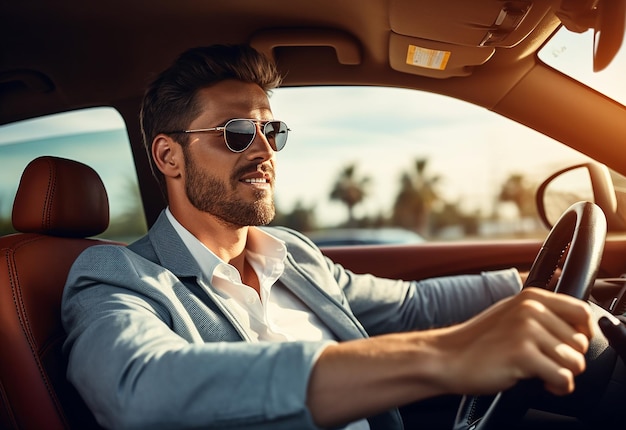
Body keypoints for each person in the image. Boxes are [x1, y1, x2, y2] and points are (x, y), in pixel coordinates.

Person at [61, 44, 593, 430]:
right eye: (238, 133)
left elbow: (410, 306)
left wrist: (540, 287)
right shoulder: (118, 277)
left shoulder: (291, 254)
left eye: (272, 132)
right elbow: (138, 390)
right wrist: (443, 357)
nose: (264, 151)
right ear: (168, 156)